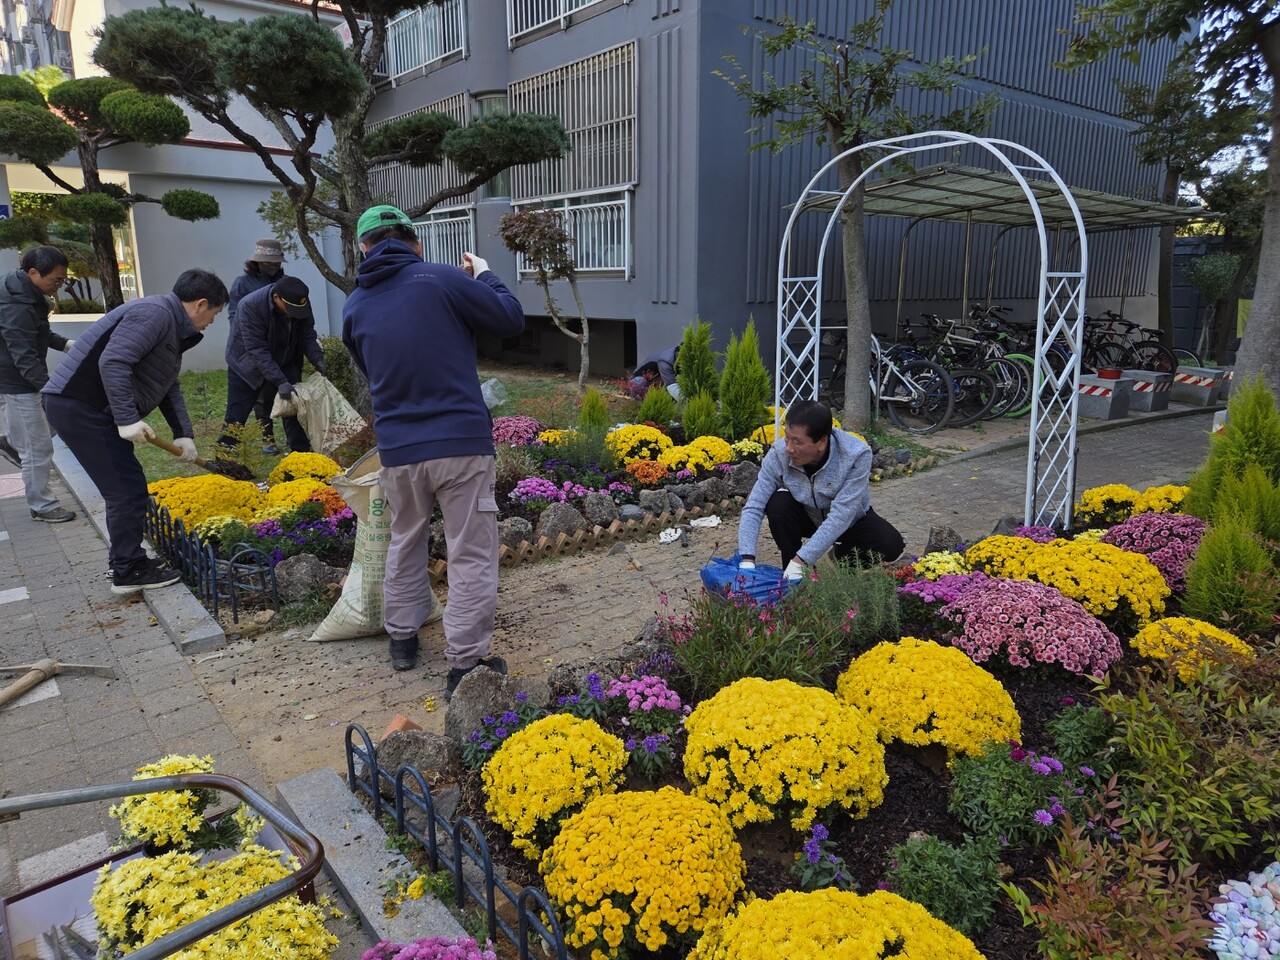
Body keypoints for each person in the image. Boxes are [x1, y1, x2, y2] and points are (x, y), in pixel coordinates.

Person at [342, 204, 524, 696]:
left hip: (398, 449)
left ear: (364, 248)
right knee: (470, 554)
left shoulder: (354, 306)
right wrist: (485, 276)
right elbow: (509, 319)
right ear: (414, 242)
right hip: (460, 444)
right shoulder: (443, 279)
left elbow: (370, 369)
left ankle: (402, 639)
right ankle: (465, 666)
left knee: (405, 539)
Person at [43, 269, 228, 595]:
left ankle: (124, 561)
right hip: (80, 405)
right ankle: (128, 571)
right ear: (201, 304)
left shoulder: (169, 323)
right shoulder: (154, 314)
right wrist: (127, 419)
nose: (212, 321)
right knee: (126, 488)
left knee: (125, 484)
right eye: (215, 313)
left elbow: (167, 383)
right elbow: (113, 362)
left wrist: (183, 433)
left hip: (91, 408)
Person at [738, 399, 904, 580]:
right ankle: (792, 574)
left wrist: (804, 558)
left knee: (890, 543)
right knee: (778, 504)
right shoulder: (779, 454)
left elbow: (842, 514)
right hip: (808, 515)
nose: (789, 448)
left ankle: (834, 560)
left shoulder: (855, 455)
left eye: (797, 442)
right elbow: (754, 506)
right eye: (787, 438)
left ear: (822, 442)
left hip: (849, 521)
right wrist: (747, 558)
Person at [0, 245, 77, 522]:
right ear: (33, 272)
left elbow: (40, 333)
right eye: (55, 281)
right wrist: (49, 388)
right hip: (17, 380)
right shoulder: (15, 304)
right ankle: (42, 506)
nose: (58, 286)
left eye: (62, 280)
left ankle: (10, 442)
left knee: (45, 426)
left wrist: (67, 344)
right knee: (38, 447)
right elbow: (23, 355)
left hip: (14, 376)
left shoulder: (26, 292)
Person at [218, 275, 325, 454]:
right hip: (246, 364)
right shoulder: (250, 305)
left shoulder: (299, 303)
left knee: (294, 404)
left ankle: (301, 454)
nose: (294, 314)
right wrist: (279, 380)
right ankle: (224, 456)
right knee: (236, 414)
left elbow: (307, 334)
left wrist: (317, 358)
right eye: (289, 309)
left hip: (284, 358)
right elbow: (257, 349)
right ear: (276, 298)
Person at [227, 239, 287, 453]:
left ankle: (291, 440)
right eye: (266, 263)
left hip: (277, 349)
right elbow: (234, 316)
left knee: (276, 393)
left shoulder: (285, 282)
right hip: (248, 351)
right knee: (258, 398)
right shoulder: (242, 284)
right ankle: (267, 438)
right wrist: (251, 341)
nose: (272, 266)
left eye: (275, 263)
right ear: (257, 263)